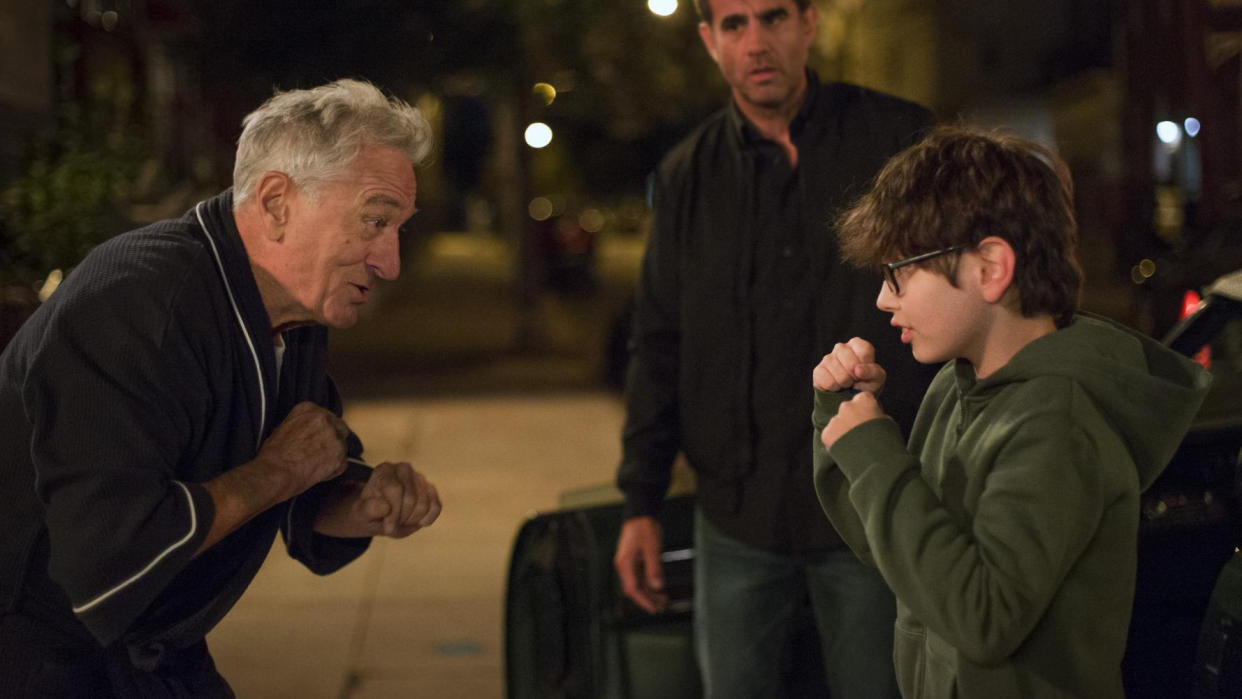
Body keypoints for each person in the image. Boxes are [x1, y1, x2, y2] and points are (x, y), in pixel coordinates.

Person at [0, 79, 442, 697]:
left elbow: (309, 490)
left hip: (158, 656)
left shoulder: (290, 318)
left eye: (397, 229)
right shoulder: (136, 306)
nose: (388, 261)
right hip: (39, 661)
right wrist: (276, 474)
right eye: (374, 221)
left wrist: (363, 505)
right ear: (277, 202)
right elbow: (107, 558)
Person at [811, 126, 1212, 698]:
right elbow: (896, 552)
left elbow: (984, 617)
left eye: (899, 270)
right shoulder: (958, 388)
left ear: (990, 267)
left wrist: (876, 456)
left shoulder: (1059, 421)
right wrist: (842, 418)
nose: (883, 298)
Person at [612, 0, 935, 695]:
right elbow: (658, 342)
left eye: (773, 17)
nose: (756, 42)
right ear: (709, 40)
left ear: (809, 23)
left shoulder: (897, 141)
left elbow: (959, 297)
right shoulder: (685, 176)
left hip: (869, 509)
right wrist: (640, 500)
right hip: (738, 516)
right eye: (734, 24)